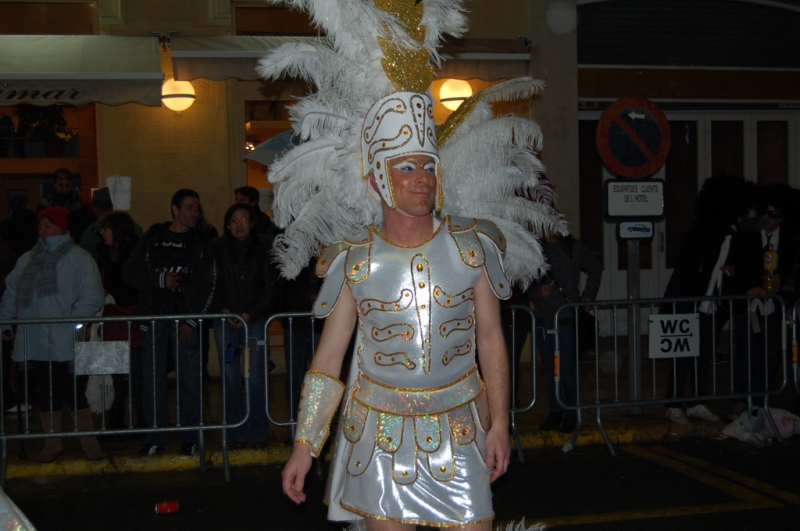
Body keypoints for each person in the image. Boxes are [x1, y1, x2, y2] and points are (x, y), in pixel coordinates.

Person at [262, 2, 564, 528]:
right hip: (378, 441)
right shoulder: (353, 264)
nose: (421, 177)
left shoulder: (474, 248)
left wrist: (499, 423)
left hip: (463, 433)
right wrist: (304, 446)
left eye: (427, 166)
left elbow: (491, 339)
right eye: (406, 166)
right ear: (380, 177)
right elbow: (328, 363)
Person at [0, 206, 105, 462]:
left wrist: (72, 322)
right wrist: (6, 321)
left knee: (72, 390)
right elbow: (12, 291)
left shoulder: (79, 258)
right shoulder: (28, 259)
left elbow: (92, 296)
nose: (44, 231)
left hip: (64, 338)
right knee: (45, 392)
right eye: (41, 226)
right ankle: (52, 441)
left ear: (62, 227)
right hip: (35, 338)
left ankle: (88, 441)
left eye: (49, 225)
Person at [122, 189, 214, 457]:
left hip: (186, 322)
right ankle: (155, 438)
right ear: (175, 209)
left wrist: (193, 319)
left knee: (189, 380)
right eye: (189, 207)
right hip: (154, 319)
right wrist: (160, 280)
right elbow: (130, 271)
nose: (195, 213)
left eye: (197, 208)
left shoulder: (201, 241)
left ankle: (190, 438)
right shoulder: (154, 236)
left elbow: (208, 283)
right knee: (153, 381)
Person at [660, 175, 748, 424]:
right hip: (688, 302)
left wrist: (729, 273)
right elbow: (687, 270)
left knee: (703, 354)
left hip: (710, 305)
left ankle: (698, 401)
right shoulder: (703, 230)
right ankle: (673, 403)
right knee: (682, 354)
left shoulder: (729, 232)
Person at [209, 203, 275, 448]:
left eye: (244, 220)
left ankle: (258, 430)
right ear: (227, 224)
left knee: (256, 376)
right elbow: (209, 284)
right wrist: (223, 310)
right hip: (224, 320)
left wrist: (249, 314)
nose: (239, 225)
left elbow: (270, 288)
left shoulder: (264, 249)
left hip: (254, 320)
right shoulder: (216, 248)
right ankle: (235, 429)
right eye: (234, 220)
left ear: (252, 223)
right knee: (230, 376)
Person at [726, 184, 796, 411]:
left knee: (770, 354)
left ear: (782, 217)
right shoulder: (747, 233)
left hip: (775, 304)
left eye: (773, 214)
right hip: (750, 304)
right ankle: (741, 398)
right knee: (746, 351)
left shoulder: (789, 238)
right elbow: (734, 266)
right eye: (764, 212)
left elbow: (790, 268)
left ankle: (760, 400)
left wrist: (780, 280)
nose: (767, 218)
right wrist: (749, 287)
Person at [527, 232, 602, 433]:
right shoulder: (536, 249)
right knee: (551, 369)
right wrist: (537, 292)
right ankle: (555, 411)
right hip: (544, 318)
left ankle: (570, 412)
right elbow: (523, 280)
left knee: (566, 368)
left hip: (566, 316)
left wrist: (587, 296)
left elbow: (595, 268)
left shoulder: (573, 248)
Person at [95, 211, 143, 430]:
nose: (101, 233)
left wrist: (110, 292)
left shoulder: (134, 252)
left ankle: (141, 418)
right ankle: (117, 418)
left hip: (128, 316)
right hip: (114, 318)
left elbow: (133, 284)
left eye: (106, 229)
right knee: (116, 372)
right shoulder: (104, 252)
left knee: (135, 373)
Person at [37, 168, 91, 242]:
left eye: (68, 186)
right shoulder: (44, 204)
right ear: (54, 184)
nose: (64, 189)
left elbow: (85, 229)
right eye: (61, 186)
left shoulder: (81, 204)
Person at [0, 193, 38, 260]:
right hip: (35, 257)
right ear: (27, 205)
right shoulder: (38, 221)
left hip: (13, 261)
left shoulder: (4, 225)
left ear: (11, 208)